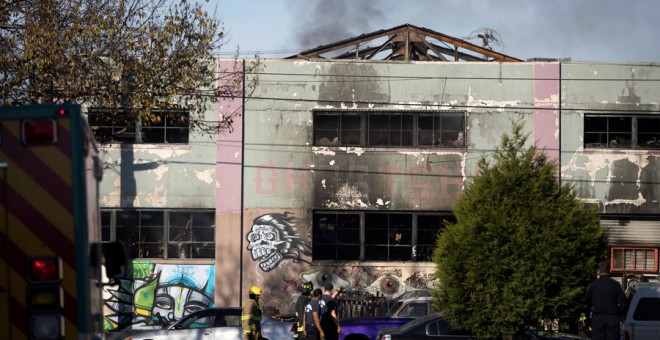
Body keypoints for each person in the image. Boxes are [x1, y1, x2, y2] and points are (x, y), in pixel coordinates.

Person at [586, 261, 627, 340]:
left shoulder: (592, 285)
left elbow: (587, 304)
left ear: (599, 271)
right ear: (609, 270)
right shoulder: (615, 285)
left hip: (597, 319)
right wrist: (617, 312)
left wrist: (588, 319)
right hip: (612, 319)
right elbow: (624, 303)